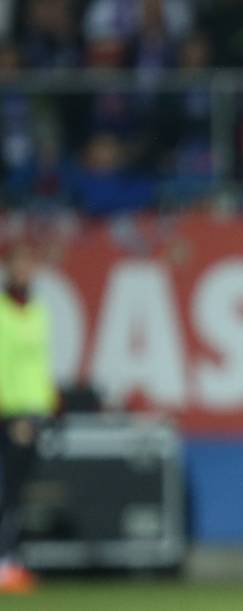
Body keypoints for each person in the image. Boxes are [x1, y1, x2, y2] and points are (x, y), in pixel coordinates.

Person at [0, 242, 58, 594]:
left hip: (31, 412)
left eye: (28, 265)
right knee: (7, 491)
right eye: (17, 265)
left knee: (15, 493)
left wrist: (47, 403)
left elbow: (39, 364)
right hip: (8, 413)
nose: (23, 271)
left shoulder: (38, 311)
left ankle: (8, 559)